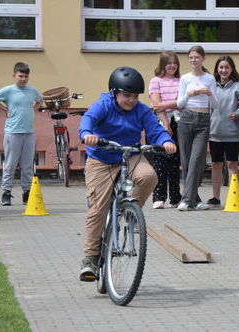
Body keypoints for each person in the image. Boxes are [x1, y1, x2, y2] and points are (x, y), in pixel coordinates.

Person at [78, 66, 176, 281]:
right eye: (126, 95)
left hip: (129, 154)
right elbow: (88, 119)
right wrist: (87, 134)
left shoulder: (140, 110)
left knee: (149, 176)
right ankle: (91, 259)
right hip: (101, 157)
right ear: (114, 93)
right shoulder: (103, 105)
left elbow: (155, 130)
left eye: (134, 96)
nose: (131, 100)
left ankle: (130, 211)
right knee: (97, 209)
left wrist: (166, 141)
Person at [0, 62, 43, 206]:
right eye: (20, 76)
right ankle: (6, 192)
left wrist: (35, 107)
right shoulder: (9, 90)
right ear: (14, 76)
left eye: (26, 76)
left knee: (27, 165)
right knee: (10, 164)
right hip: (13, 132)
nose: (23, 79)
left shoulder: (32, 90)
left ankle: (27, 192)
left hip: (29, 133)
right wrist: (4, 109)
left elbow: (40, 101)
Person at [176, 45, 218, 211]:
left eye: (197, 57)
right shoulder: (185, 78)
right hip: (186, 118)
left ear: (203, 58)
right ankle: (195, 199)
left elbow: (215, 104)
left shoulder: (210, 79)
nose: (194, 60)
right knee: (186, 161)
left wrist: (209, 93)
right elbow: (179, 103)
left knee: (197, 160)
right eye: (191, 57)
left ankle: (186, 200)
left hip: (203, 119)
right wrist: (189, 94)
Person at [206, 55, 239, 207]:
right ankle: (215, 197)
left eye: (227, 67)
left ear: (232, 69)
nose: (223, 70)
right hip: (214, 133)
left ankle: (233, 196)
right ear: (217, 69)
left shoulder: (238, 87)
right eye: (221, 67)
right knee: (216, 164)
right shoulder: (212, 86)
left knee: (232, 164)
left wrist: (237, 114)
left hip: (232, 134)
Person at [147, 51, 182, 209]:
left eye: (174, 62)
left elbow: (182, 103)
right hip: (160, 123)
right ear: (162, 65)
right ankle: (158, 197)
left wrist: (165, 104)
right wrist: (166, 125)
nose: (172, 66)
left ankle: (175, 197)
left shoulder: (181, 81)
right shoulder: (155, 81)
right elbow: (156, 105)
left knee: (175, 162)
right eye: (169, 63)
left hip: (179, 121)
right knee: (159, 162)